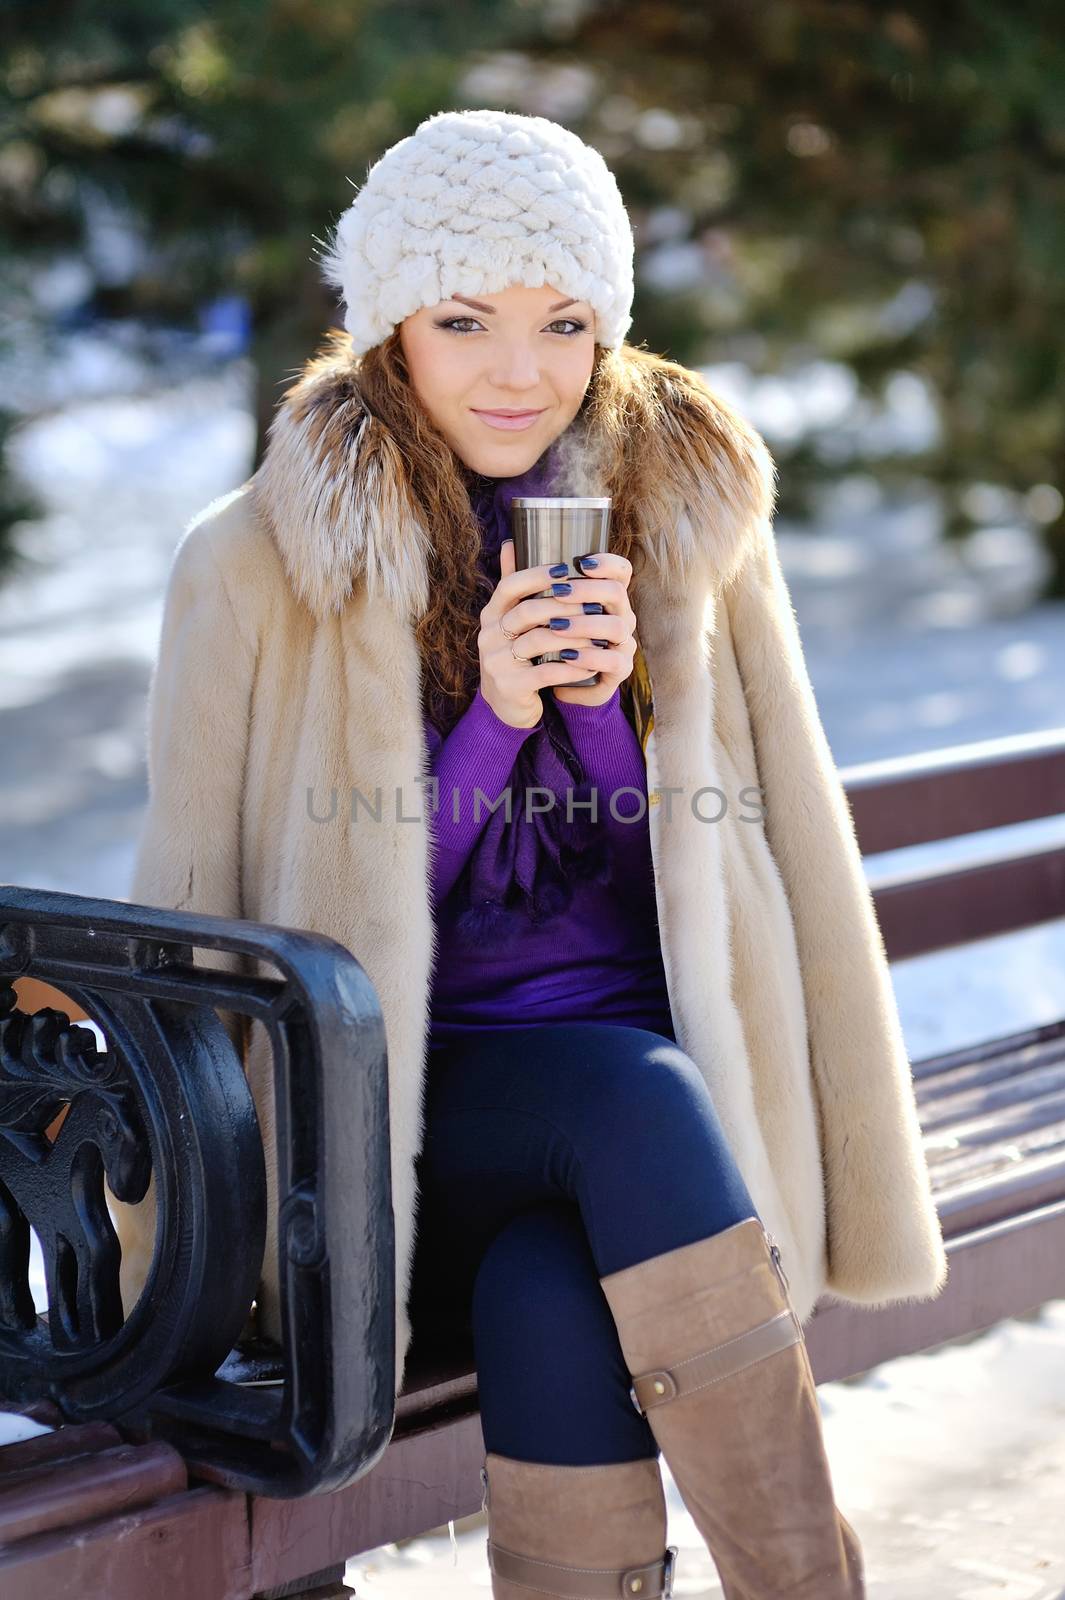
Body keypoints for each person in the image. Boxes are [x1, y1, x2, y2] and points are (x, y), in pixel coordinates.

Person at [118, 108, 949, 1597]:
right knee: (616, 1094)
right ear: (387, 333)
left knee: (553, 1285)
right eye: (464, 320)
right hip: (384, 1167)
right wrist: (492, 723)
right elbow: (233, 931)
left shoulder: (688, 527)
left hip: (652, 1182)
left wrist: (610, 727)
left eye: (564, 322)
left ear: (608, 330)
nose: (519, 369)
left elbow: (758, 883)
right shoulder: (251, 566)